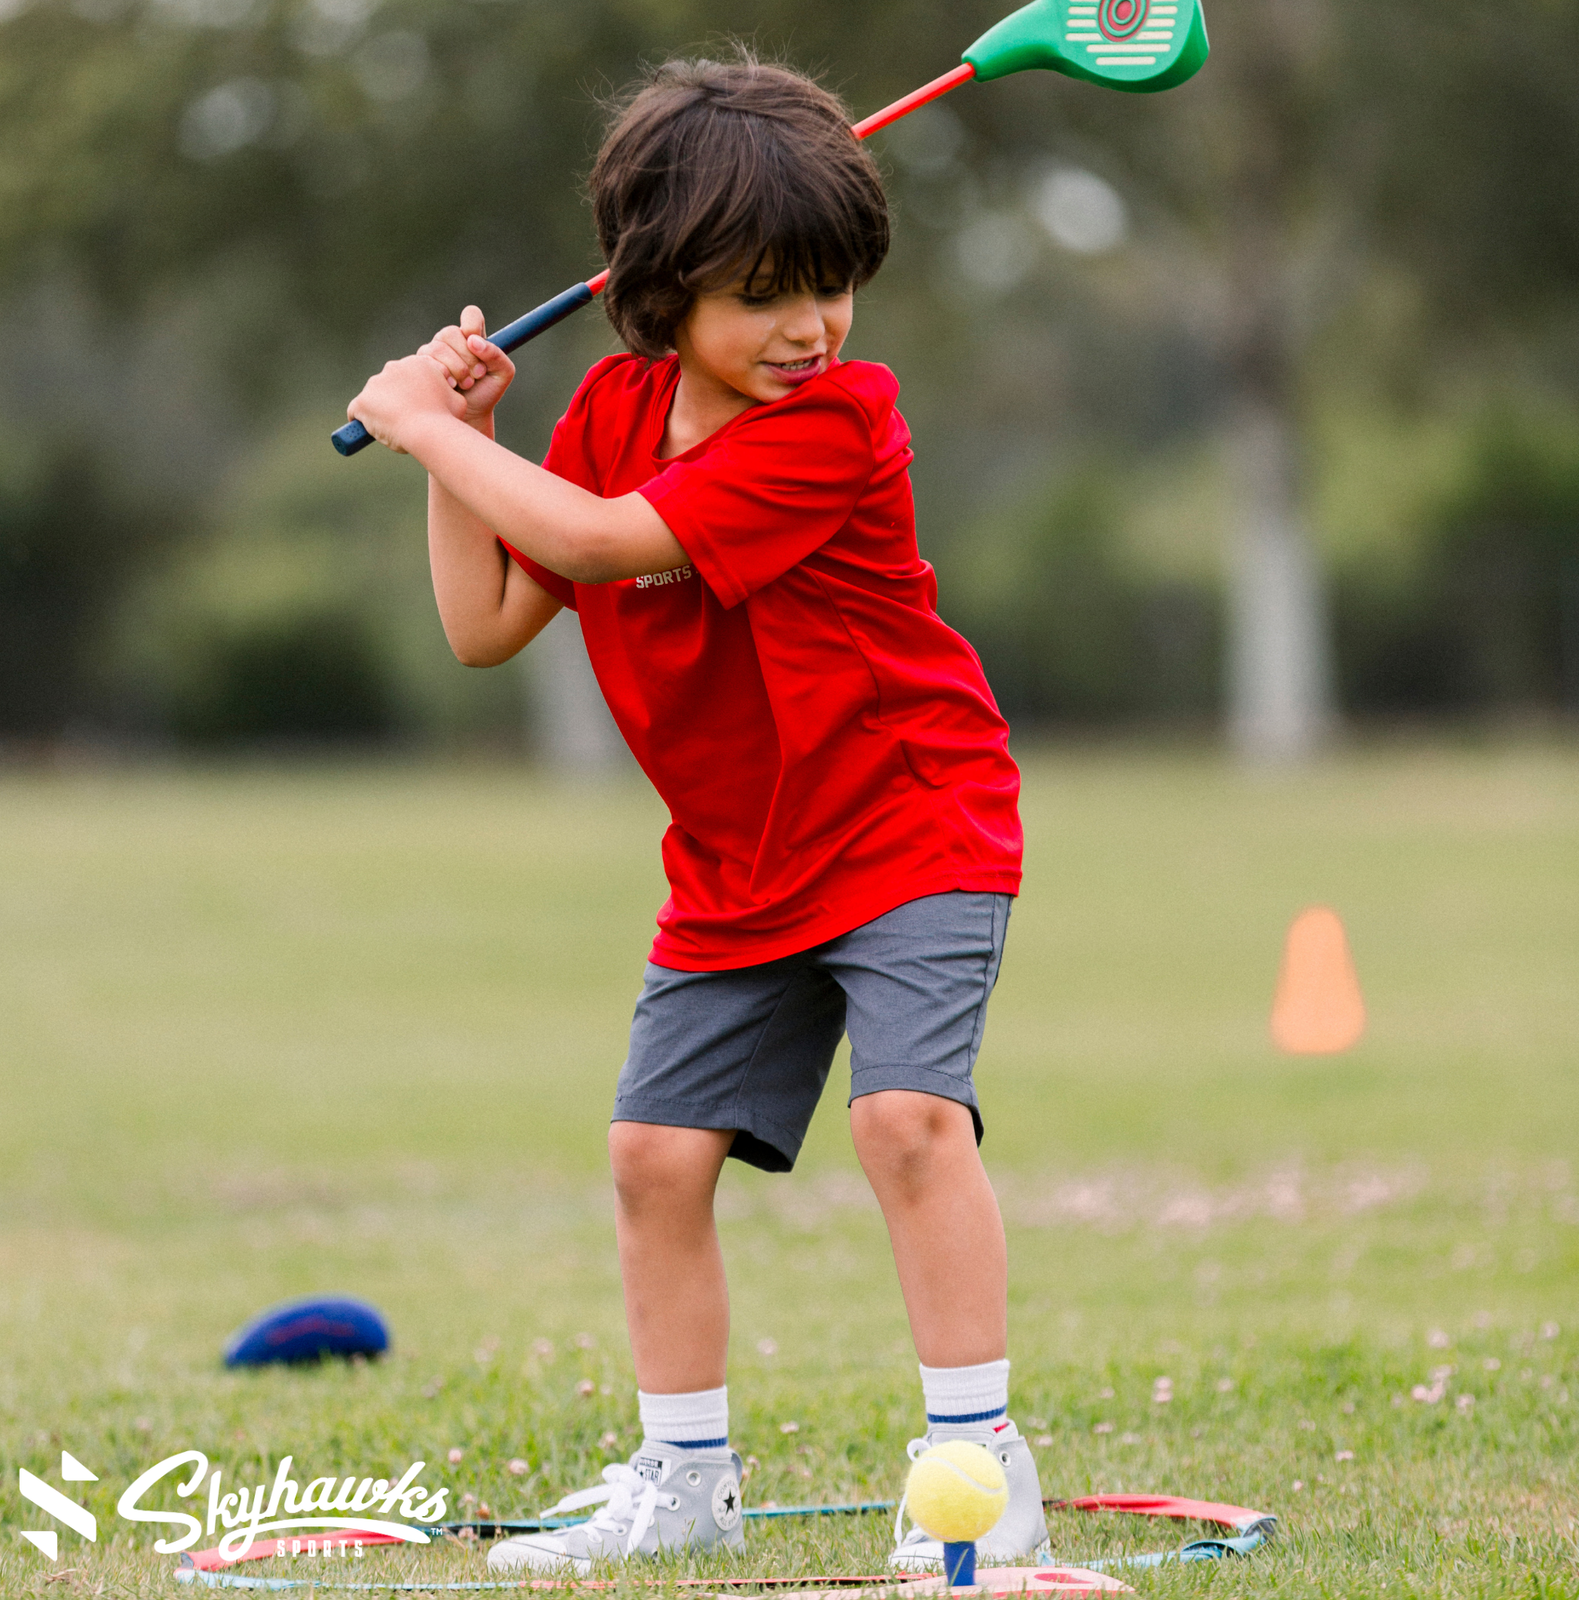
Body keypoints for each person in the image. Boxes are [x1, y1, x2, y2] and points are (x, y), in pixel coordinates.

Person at [347, 51, 1044, 1578]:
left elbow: (600, 547)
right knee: (654, 1160)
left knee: (908, 1123)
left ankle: (983, 1478)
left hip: (906, 819)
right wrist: (461, 447)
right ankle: (683, 1478)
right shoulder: (606, 408)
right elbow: (485, 623)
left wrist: (424, 425)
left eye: (831, 286)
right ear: (658, 297)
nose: (809, 328)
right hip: (740, 857)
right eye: (763, 294)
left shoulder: (838, 423)